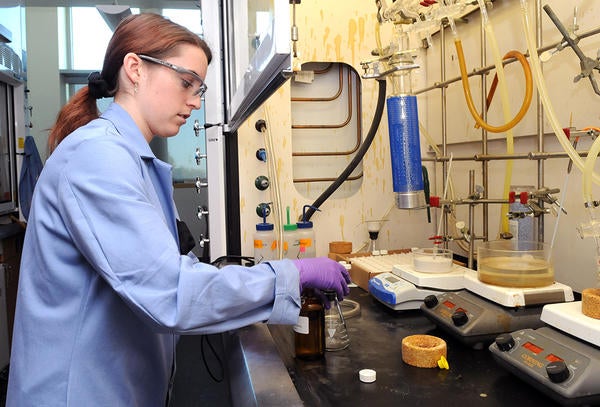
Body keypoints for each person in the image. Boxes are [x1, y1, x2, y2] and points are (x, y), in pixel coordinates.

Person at [6, 13, 350, 406]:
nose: (195, 101)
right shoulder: (96, 157)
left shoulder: (133, 159)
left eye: (200, 89)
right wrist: (290, 275)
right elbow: (170, 292)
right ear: (135, 69)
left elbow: (164, 273)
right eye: (186, 82)